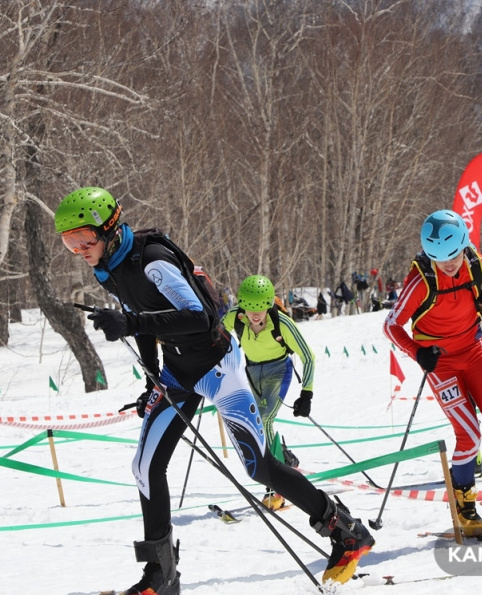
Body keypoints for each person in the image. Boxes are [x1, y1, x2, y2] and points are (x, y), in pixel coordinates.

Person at [54, 187, 373, 592]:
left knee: (259, 467)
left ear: (110, 229)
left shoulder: (153, 261)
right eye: (70, 243)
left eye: (84, 239)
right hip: (178, 372)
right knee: (145, 467)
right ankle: (161, 575)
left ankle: (345, 531)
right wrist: (151, 378)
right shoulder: (109, 268)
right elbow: (144, 321)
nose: (80, 250)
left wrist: (130, 324)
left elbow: (199, 318)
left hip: (218, 366)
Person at [384, 209, 482, 538]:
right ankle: (464, 503)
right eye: (440, 259)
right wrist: (417, 352)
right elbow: (391, 325)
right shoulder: (421, 281)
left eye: (453, 256)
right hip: (441, 363)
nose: (449, 264)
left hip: (474, 350)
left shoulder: (478, 265)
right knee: (469, 434)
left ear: (464, 246)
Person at [222, 275, 316, 508]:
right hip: (252, 372)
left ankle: (276, 488)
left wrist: (306, 394)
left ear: (269, 304)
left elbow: (308, 356)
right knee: (254, 422)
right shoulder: (235, 316)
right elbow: (215, 336)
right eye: (250, 309)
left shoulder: (282, 323)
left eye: (261, 309)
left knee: (263, 420)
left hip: (278, 370)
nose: (255, 315)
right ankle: (284, 459)